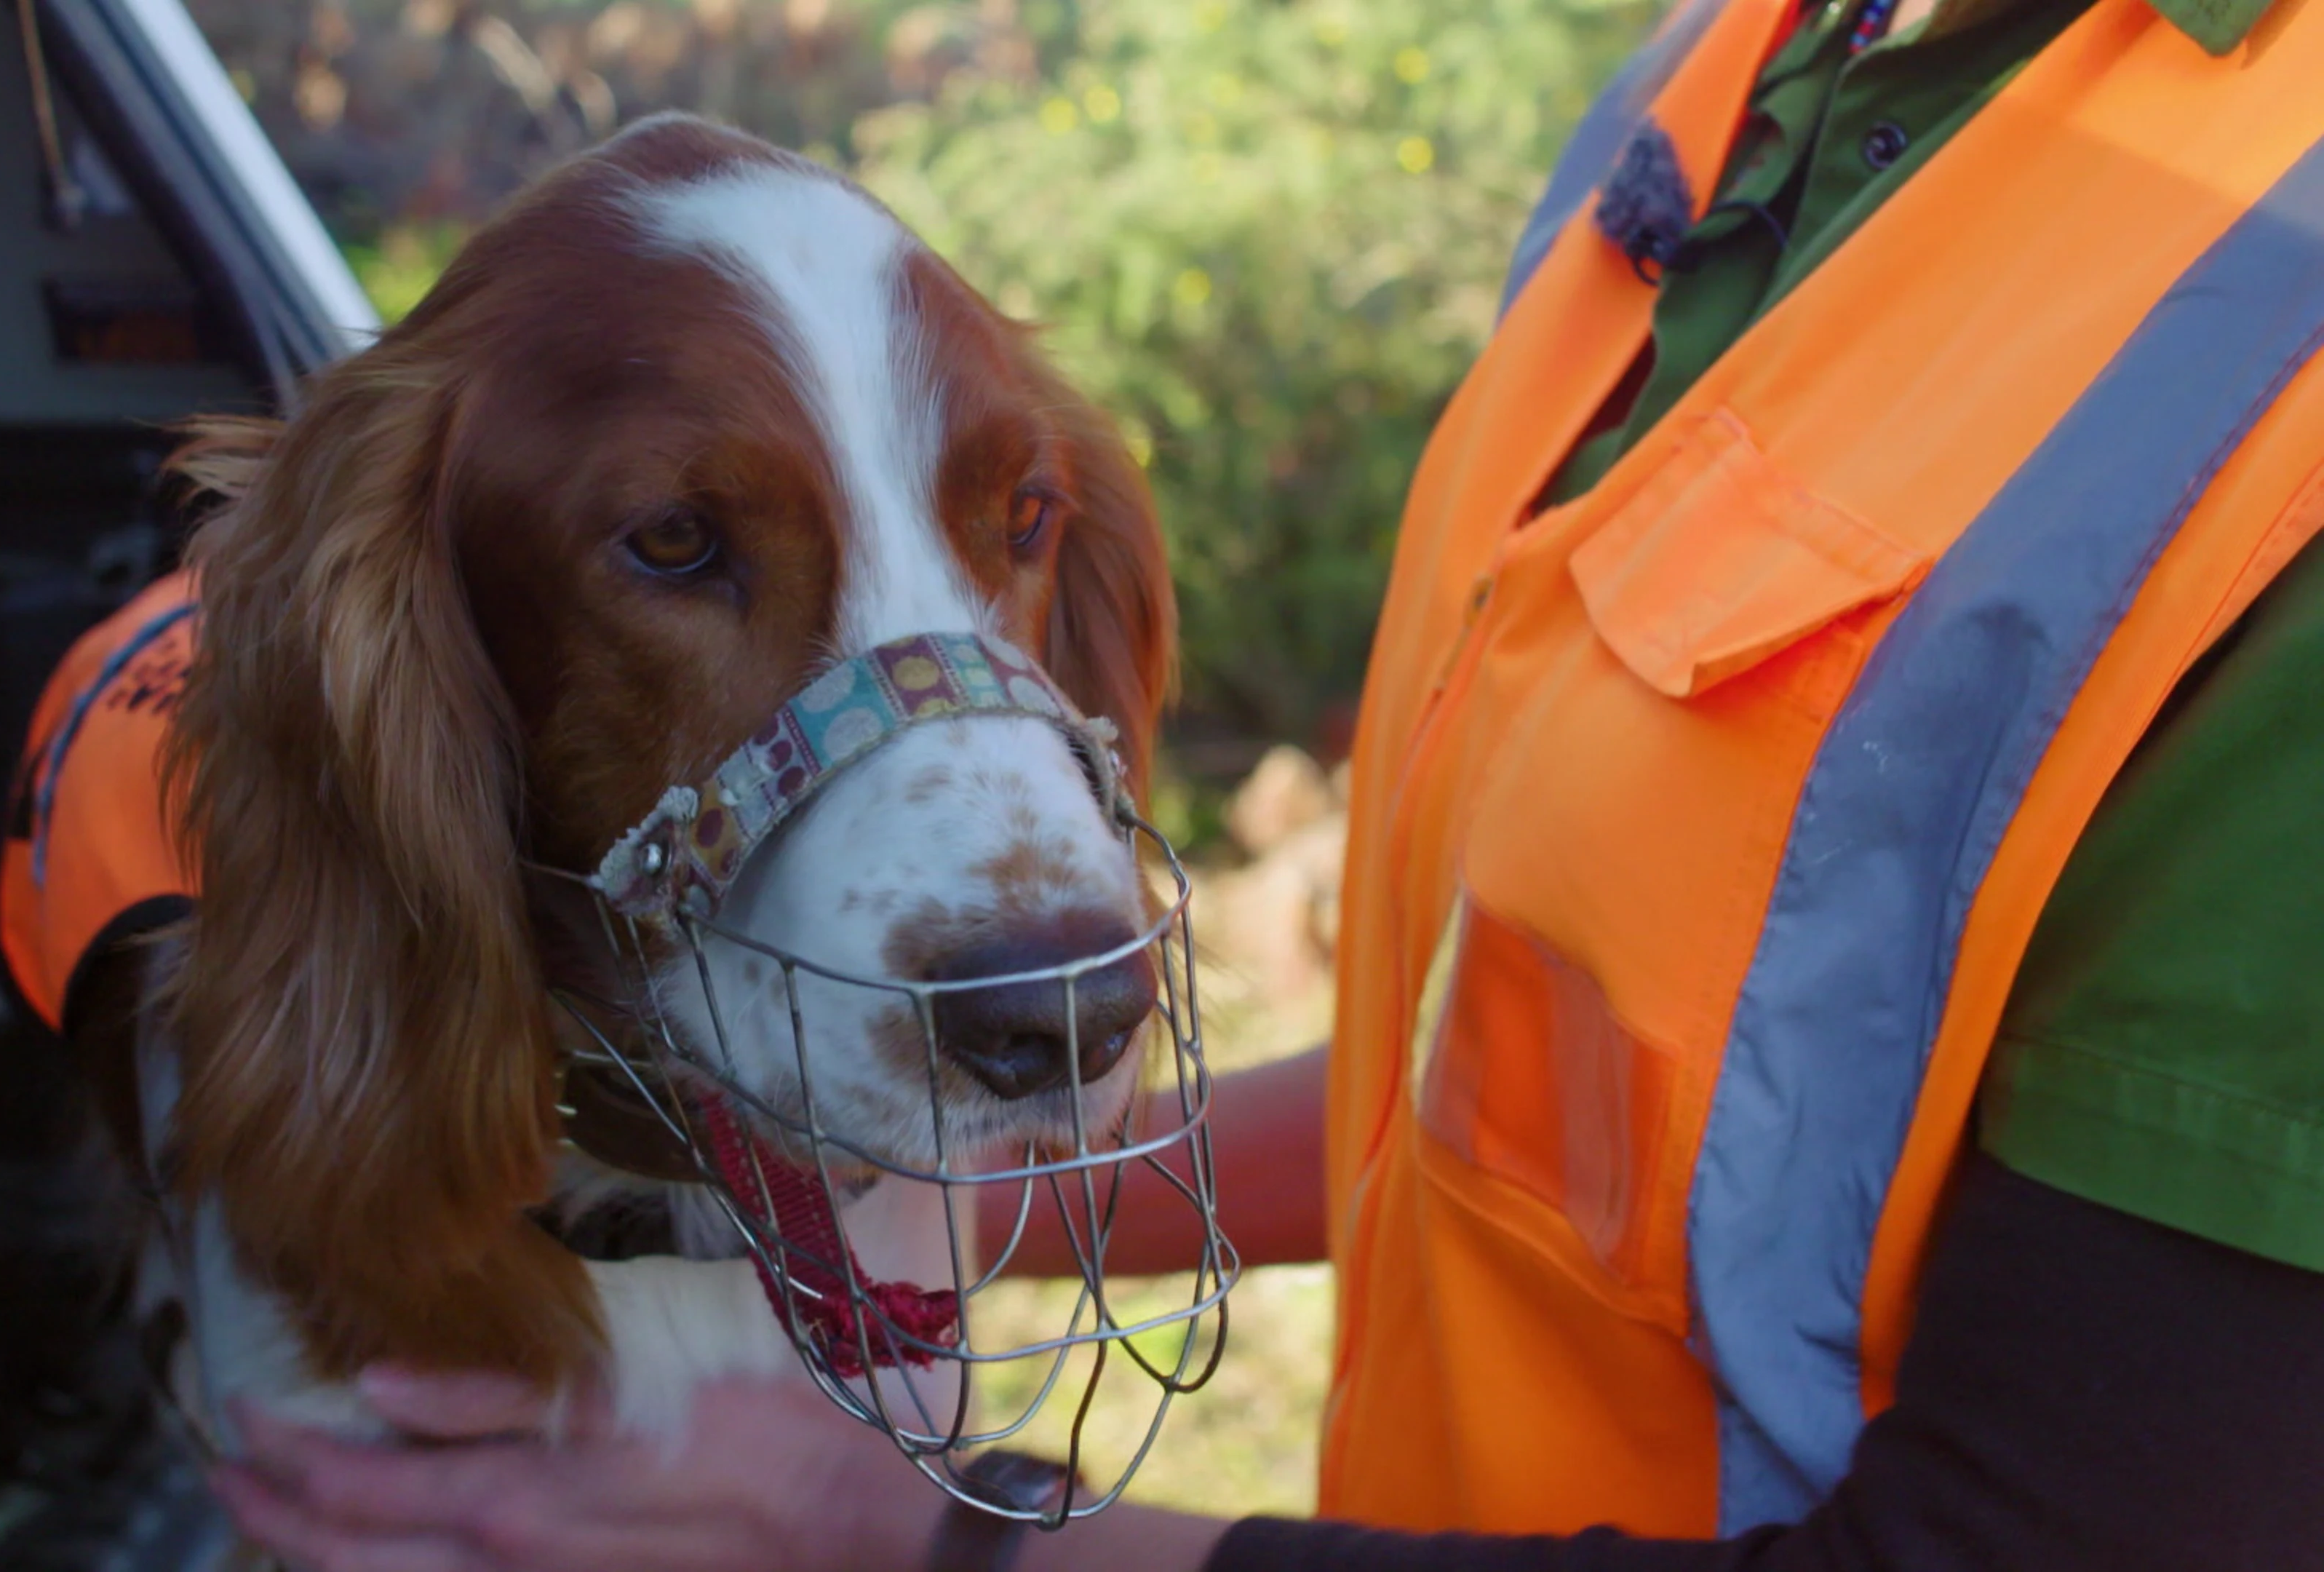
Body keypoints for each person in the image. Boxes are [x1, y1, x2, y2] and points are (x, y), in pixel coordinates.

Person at [210, 0, 2324, 1565]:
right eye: (683, 544)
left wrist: (927, 1539)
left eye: (1014, 529)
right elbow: (1579, 1094)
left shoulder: (2276, 341)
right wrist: (949, 1173)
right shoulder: (1745, 75)